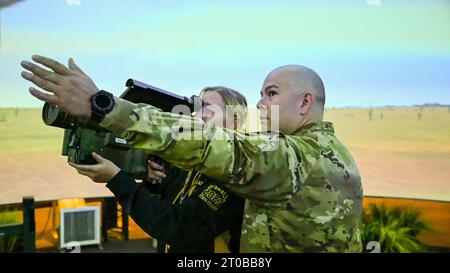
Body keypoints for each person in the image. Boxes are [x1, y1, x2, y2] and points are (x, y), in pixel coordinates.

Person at [21, 55, 363, 252]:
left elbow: (184, 223)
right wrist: (159, 182)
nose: (261, 104)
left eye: (271, 94)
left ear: (305, 102)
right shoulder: (330, 151)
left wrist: (105, 108)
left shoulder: (295, 158)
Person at [70, 86, 248, 253]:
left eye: (208, 109)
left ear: (234, 120)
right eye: (198, 109)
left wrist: (116, 180)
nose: (197, 116)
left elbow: (179, 229)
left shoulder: (235, 171)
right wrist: (151, 180)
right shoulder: (189, 162)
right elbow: (159, 209)